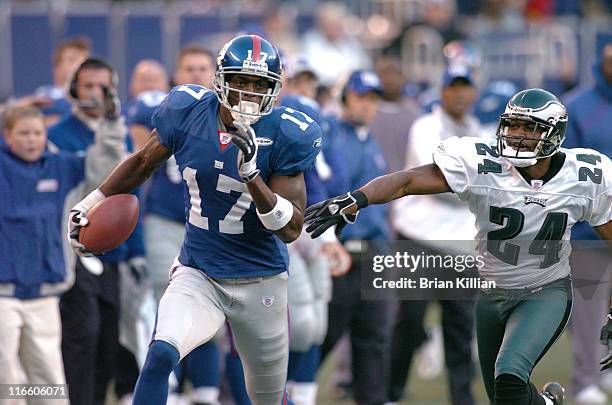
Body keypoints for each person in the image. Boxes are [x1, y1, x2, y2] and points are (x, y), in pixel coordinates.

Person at [306, 88, 612, 405]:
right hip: (491, 292)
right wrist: (357, 199)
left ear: (554, 133)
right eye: (513, 125)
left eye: (530, 128)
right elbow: (409, 180)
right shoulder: (483, 163)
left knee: (508, 375)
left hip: (545, 291)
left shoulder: (586, 175)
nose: (518, 135)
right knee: (502, 397)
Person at [67, 34, 321, 405]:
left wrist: (252, 176)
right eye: (240, 81)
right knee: (161, 354)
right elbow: (142, 162)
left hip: (261, 280)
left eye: (259, 84)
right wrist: (92, 203)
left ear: (274, 88)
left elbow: (290, 228)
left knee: (267, 398)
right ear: (220, 80)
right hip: (199, 271)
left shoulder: (286, 133)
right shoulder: (186, 111)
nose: (249, 92)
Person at [0, 105, 123, 405]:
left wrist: (111, 126)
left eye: (37, 133)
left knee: (49, 378)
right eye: (24, 133)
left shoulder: (61, 166)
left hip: (45, 291)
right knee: (8, 379)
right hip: (2, 295)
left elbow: (103, 168)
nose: (31, 140)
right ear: (7, 135)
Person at [128, 48, 223, 405]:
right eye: (189, 68)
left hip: (213, 227)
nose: (197, 74)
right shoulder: (165, 109)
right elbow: (137, 161)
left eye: (203, 68)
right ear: (176, 73)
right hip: (166, 220)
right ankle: (168, 388)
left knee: (212, 306)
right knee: (165, 307)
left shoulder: (228, 114)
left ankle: (206, 389)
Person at [387, 65, 479, 405]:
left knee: (461, 330)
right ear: (441, 90)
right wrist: (479, 186)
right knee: (408, 325)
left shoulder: (477, 130)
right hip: (419, 238)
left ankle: (463, 399)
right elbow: (440, 184)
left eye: (465, 86)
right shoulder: (425, 127)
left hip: (461, 244)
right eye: (453, 85)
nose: (459, 92)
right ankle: (391, 394)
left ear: (474, 92)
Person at [47, 56, 136, 405]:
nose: (98, 95)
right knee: (83, 335)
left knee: (110, 340)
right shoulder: (55, 135)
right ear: (73, 91)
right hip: (73, 249)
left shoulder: (122, 131)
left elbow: (129, 196)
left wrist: (136, 250)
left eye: (105, 87)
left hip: (113, 250)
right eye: (89, 86)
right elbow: (97, 182)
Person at [318, 70, 394, 405]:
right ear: (345, 97)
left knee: (374, 340)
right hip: (342, 252)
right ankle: (285, 393)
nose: (367, 105)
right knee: (324, 335)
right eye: (361, 96)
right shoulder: (331, 132)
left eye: (373, 98)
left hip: (374, 253)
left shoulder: (371, 142)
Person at [563, 42, 612, 405]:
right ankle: (584, 381)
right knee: (589, 305)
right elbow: (568, 172)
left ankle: (605, 369)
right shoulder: (577, 106)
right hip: (591, 228)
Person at [34, 36, 91, 127]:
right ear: (57, 67)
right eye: (72, 60)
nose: (78, 65)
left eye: (84, 61)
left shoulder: (93, 97)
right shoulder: (45, 94)